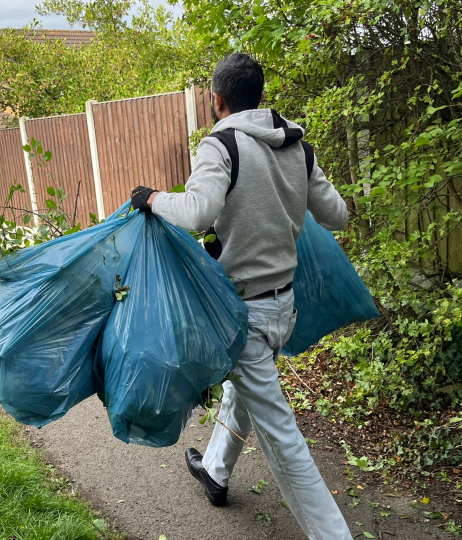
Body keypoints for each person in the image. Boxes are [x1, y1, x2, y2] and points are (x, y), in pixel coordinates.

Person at [130, 53, 352, 539]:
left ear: (217, 100)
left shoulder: (221, 144)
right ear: (259, 96)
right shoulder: (298, 146)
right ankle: (215, 471)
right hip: (283, 308)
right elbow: (337, 215)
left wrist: (149, 199)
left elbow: (196, 213)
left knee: (284, 441)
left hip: (242, 312)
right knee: (244, 388)